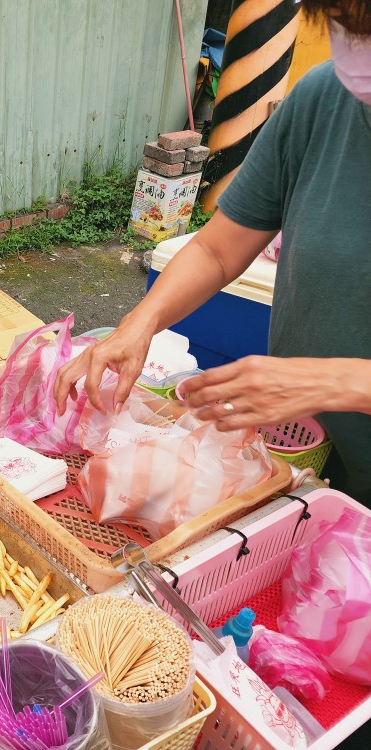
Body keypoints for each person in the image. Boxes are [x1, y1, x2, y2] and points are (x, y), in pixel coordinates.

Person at [54, 0, 371, 505]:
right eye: (344, 24)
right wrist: (141, 323)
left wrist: (341, 381)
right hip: (321, 458)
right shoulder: (322, 100)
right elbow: (218, 250)